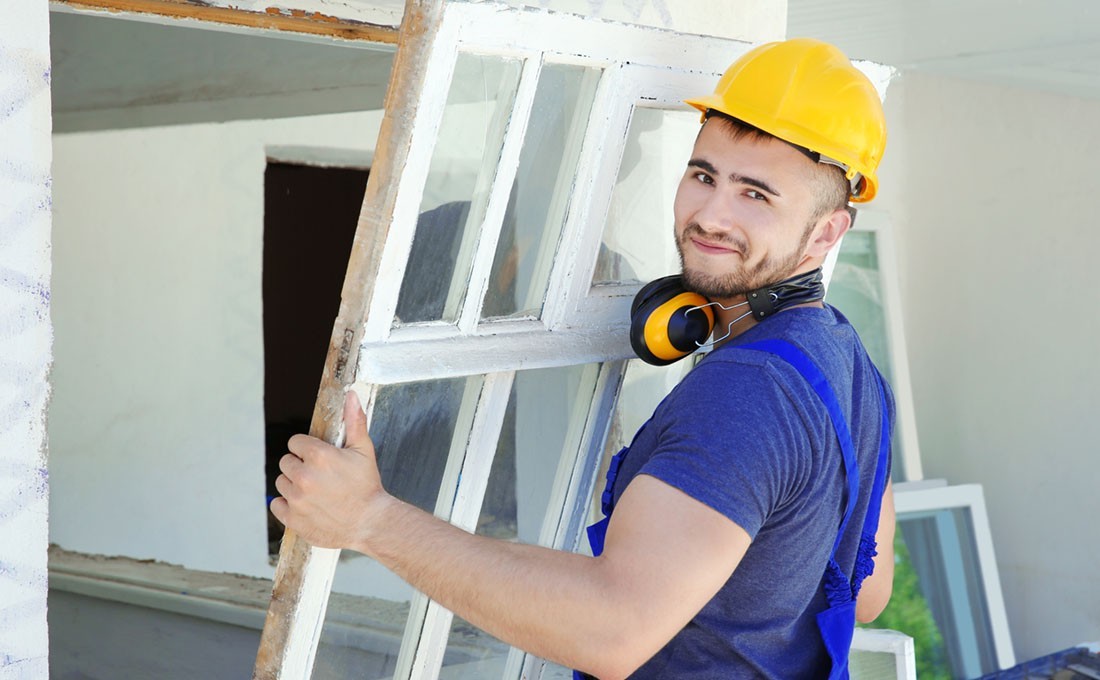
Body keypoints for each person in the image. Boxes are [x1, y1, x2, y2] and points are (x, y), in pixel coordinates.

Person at [270, 37, 896, 679]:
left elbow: (611, 630)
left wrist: (371, 520)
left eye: (755, 195)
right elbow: (867, 591)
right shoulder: (851, 367)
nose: (710, 215)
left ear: (825, 233)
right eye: (703, 175)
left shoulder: (748, 391)